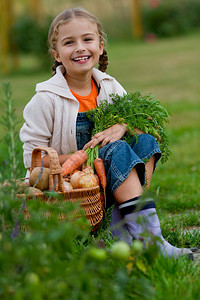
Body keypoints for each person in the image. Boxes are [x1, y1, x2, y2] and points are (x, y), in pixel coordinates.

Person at [20, 7, 193, 259]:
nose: (80, 47)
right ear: (57, 54)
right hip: (72, 185)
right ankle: (150, 241)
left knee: (144, 141)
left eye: (87, 39)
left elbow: (142, 122)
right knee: (116, 148)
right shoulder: (45, 100)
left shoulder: (109, 86)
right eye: (69, 42)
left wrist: (121, 126)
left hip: (107, 182)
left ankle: (119, 224)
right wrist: (81, 158)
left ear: (100, 46)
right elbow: (32, 159)